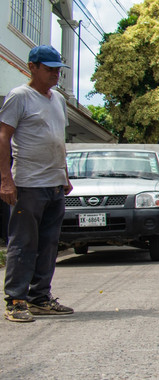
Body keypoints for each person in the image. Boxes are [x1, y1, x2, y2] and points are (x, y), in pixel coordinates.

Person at [1, 45, 75, 323]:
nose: (55, 74)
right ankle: (16, 300)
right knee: (24, 243)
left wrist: (64, 175)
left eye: (58, 69)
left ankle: (40, 298)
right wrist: (6, 179)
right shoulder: (19, 97)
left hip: (54, 183)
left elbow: (57, 139)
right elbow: (3, 137)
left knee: (49, 244)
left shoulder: (58, 99)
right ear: (32, 67)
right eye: (49, 69)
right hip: (28, 184)